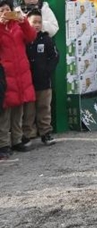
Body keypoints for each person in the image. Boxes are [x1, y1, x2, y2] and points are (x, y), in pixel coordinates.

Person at [0, 0, 37, 156]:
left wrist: (23, 21)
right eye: (1, 10)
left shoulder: (18, 26)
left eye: (7, 10)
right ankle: (3, 144)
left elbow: (31, 37)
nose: (5, 13)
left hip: (21, 73)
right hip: (5, 74)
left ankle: (17, 140)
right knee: (5, 112)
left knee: (19, 109)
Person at [23, 10, 59, 146]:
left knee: (44, 107)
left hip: (44, 82)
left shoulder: (46, 39)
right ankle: (27, 135)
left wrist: (47, 71)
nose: (36, 25)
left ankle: (46, 133)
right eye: (33, 22)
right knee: (28, 110)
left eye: (39, 22)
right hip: (27, 82)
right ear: (27, 23)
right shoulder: (24, 39)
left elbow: (55, 56)